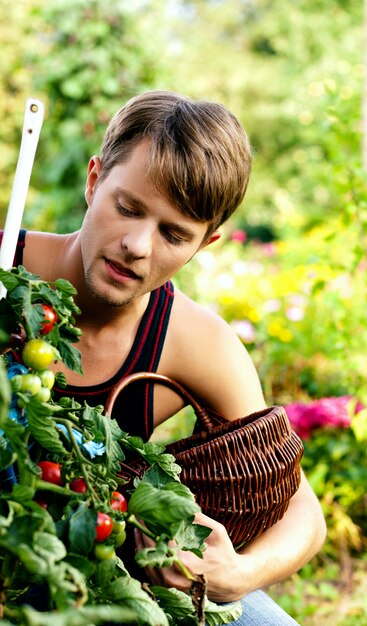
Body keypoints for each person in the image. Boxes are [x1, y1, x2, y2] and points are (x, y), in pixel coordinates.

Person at [3, 90, 326, 625]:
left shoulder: (194, 343)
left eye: (174, 234)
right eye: (127, 208)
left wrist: (239, 574)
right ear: (93, 180)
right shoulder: (3, 269)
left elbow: (303, 512)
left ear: (205, 243)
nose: (137, 245)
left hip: (106, 575)